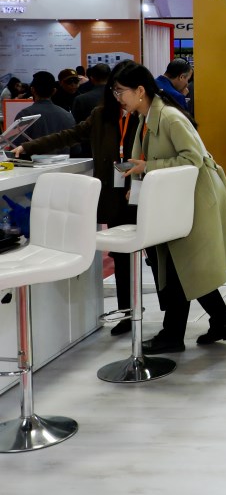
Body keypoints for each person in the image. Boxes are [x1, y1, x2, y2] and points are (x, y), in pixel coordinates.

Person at [114, 61, 226, 353]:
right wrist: (139, 183)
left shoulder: (169, 117)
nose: (118, 97)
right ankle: (221, 323)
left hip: (194, 200)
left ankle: (173, 335)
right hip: (177, 200)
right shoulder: (147, 117)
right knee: (184, 267)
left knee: (179, 267)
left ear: (140, 90)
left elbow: (192, 158)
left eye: (121, 91)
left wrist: (148, 167)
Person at [11, 62, 142, 335]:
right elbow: (69, 135)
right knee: (121, 258)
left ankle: (177, 321)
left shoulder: (147, 114)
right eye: (115, 91)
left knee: (161, 256)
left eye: (123, 90)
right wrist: (29, 146)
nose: (119, 96)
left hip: (143, 191)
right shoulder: (102, 115)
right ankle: (127, 314)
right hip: (116, 196)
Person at [14, 71, 79, 153]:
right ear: (54, 91)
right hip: (63, 161)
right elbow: (76, 149)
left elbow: (15, 146)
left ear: (32, 90)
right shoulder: (67, 115)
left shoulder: (24, 115)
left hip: (33, 161)